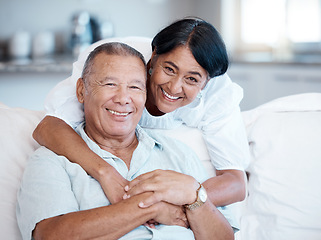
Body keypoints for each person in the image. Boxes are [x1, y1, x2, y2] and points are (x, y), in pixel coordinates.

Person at [16, 42, 234, 240]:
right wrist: (149, 207)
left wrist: (195, 195)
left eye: (135, 87)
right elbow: (49, 236)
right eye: (110, 84)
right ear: (82, 91)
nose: (122, 98)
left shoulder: (179, 154)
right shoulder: (51, 160)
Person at [33, 17, 250, 212]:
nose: (174, 87)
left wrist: (172, 204)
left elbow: (236, 182)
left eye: (192, 79)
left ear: (207, 82)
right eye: (169, 69)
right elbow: (49, 126)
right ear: (154, 57)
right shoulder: (113, 61)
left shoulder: (219, 93)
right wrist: (106, 173)